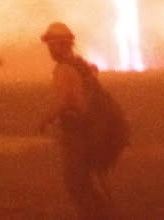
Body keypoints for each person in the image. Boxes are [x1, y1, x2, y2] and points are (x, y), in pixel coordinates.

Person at [38, 21, 116, 219]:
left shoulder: (64, 69)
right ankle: (104, 213)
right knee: (90, 180)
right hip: (93, 130)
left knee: (76, 183)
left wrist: (45, 120)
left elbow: (64, 101)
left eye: (51, 44)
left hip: (76, 133)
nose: (49, 49)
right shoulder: (81, 65)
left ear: (61, 44)